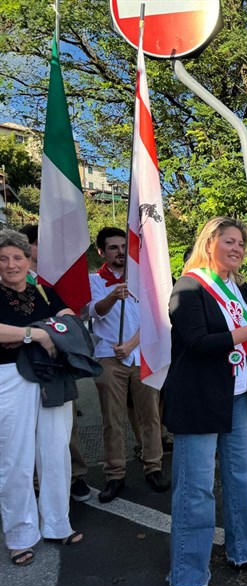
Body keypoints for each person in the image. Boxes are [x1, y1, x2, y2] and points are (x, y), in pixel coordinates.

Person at [163, 217, 247, 586]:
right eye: (229, 241)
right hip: (198, 399)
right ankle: (187, 575)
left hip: (237, 394)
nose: (237, 248)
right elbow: (198, 343)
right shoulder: (188, 287)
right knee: (195, 489)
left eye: (241, 243)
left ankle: (246, 551)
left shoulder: (240, 287)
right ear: (209, 243)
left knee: (241, 477)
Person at [0, 230, 84, 567]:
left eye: (17, 257)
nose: (11, 265)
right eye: (3, 259)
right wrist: (35, 333)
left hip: (51, 375)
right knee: (15, 457)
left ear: (28, 260)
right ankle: (20, 535)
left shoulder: (43, 291)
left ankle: (57, 524)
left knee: (55, 451)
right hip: (10, 377)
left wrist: (36, 333)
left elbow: (70, 320)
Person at [89, 227, 168, 502]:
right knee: (112, 419)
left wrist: (133, 344)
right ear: (102, 252)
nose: (120, 252)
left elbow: (155, 317)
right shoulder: (93, 280)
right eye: (113, 247)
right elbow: (93, 312)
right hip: (109, 358)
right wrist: (113, 296)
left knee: (150, 415)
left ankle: (153, 466)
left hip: (141, 355)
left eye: (124, 246)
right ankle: (114, 474)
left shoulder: (143, 279)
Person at [20, 223, 92, 502]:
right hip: (18, 368)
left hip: (54, 364)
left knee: (64, 426)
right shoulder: (11, 284)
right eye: (40, 243)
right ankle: (34, 480)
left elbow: (70, 317)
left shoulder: (51, 283)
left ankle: (74, 475)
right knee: (25, 429)